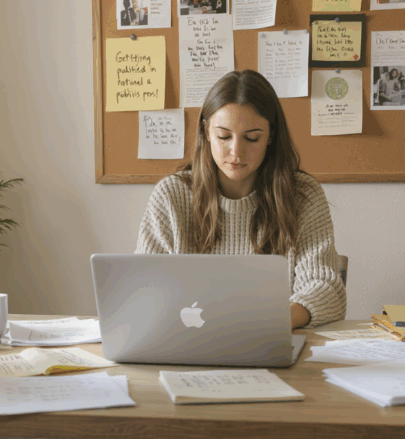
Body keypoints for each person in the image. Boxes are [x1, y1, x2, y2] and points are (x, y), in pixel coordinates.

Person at [136, 70, 347, 329]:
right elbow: (143, 293)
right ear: (206, 132)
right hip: (186, 349)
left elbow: (326, 290)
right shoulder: (171, 196)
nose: (236, 151)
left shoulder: (302, 195)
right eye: (224, 136)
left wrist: (264, 322)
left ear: (270, 136)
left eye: (252, 138)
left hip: (272, 342)